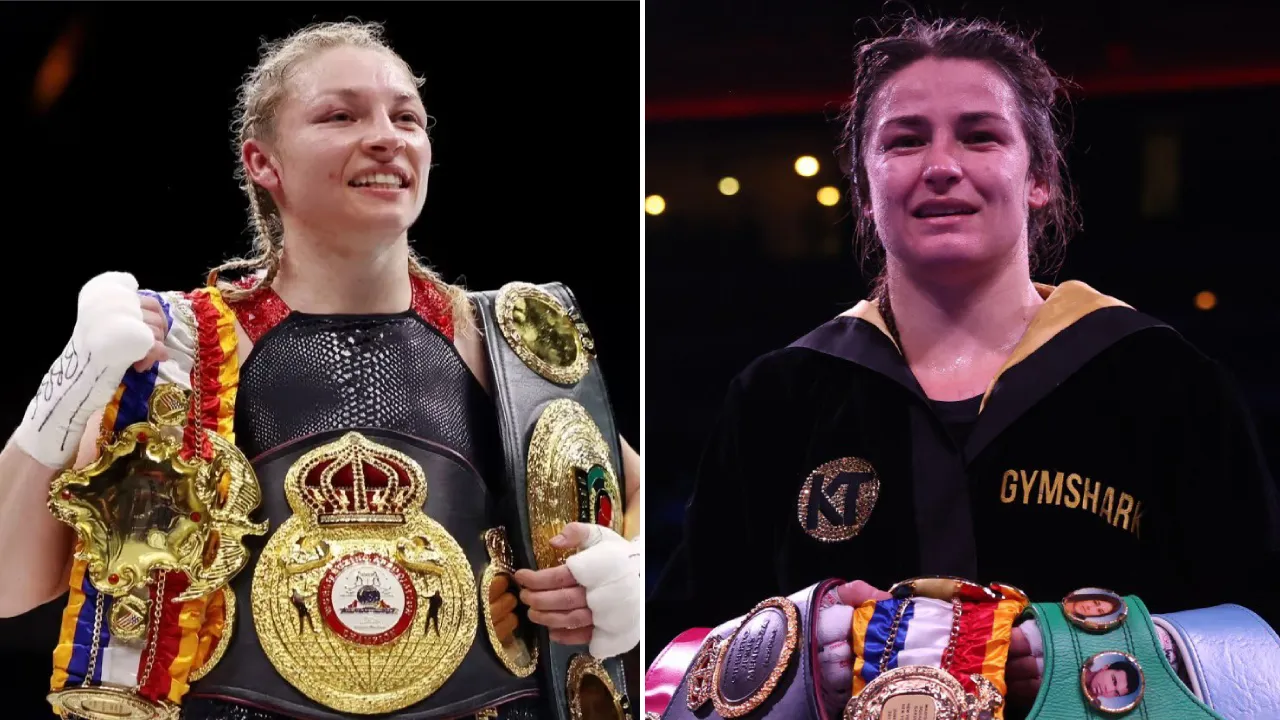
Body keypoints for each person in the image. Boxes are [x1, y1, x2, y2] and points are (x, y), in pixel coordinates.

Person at [0, 20, 641, 720]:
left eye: (406, 118)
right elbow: (7, 584)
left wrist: (625, 573)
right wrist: (64, 395)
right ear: (263, 163)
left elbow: (633, 505)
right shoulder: (183, 350)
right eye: (341, 115)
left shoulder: (510, 343)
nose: (387, 136)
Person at [646, 13, 1280, 716]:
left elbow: (1264, 642)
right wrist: (791, 650)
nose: (942, 166)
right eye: (905, 140)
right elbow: (676, 661)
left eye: (980, 136)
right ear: (864, 186)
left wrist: (1101, 652)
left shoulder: (1165, 382)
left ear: (1038, 175)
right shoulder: (777, 398)